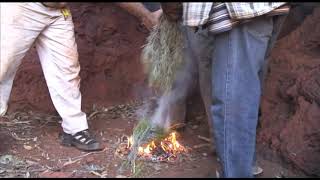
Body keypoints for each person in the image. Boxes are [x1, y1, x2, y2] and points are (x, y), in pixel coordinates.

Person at [161, 2, 290, 178]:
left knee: (232, 97)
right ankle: (244, 165)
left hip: (240, 11)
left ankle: (236, 173)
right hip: (265, 8)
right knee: (246, 87)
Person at [0, 2, 103, 151]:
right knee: (3, 66)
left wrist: (145, 14)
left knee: (67, 69)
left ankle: (74, 129)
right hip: (24, 7)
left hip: (59, 11)